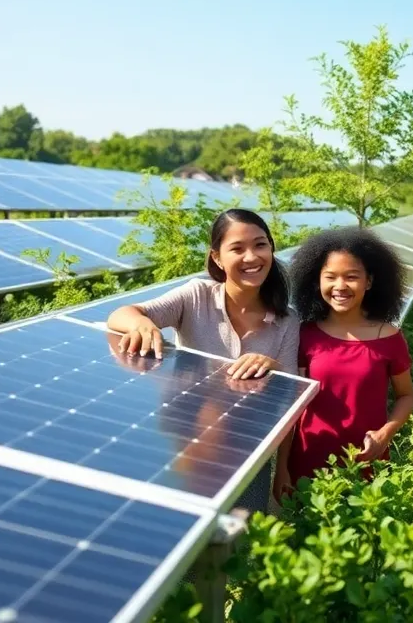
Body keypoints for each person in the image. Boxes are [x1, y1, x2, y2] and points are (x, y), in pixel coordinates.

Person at [106, 208, 299, 514]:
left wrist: (271, 367)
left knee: (240, 544)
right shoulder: (196, 297)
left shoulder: (287, 321)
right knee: (185, 539)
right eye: (237, 248)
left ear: (272, 249)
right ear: (217, 258)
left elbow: (291, 400)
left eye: (260, 244)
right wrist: (141, 324)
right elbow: (121, 315)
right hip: (189, 444)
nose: (252, 257)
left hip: (248, 454)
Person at [275, 227, 413, 499]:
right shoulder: (305, 334)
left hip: (367, 461)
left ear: (370, 282)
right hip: (308, 460)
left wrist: (386, 434)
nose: (340, 286)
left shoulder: (389, 338)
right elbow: (292, 409)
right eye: (330, 277)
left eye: (352, 277)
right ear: (317, 281)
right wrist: (281, 467)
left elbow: (406, 396)